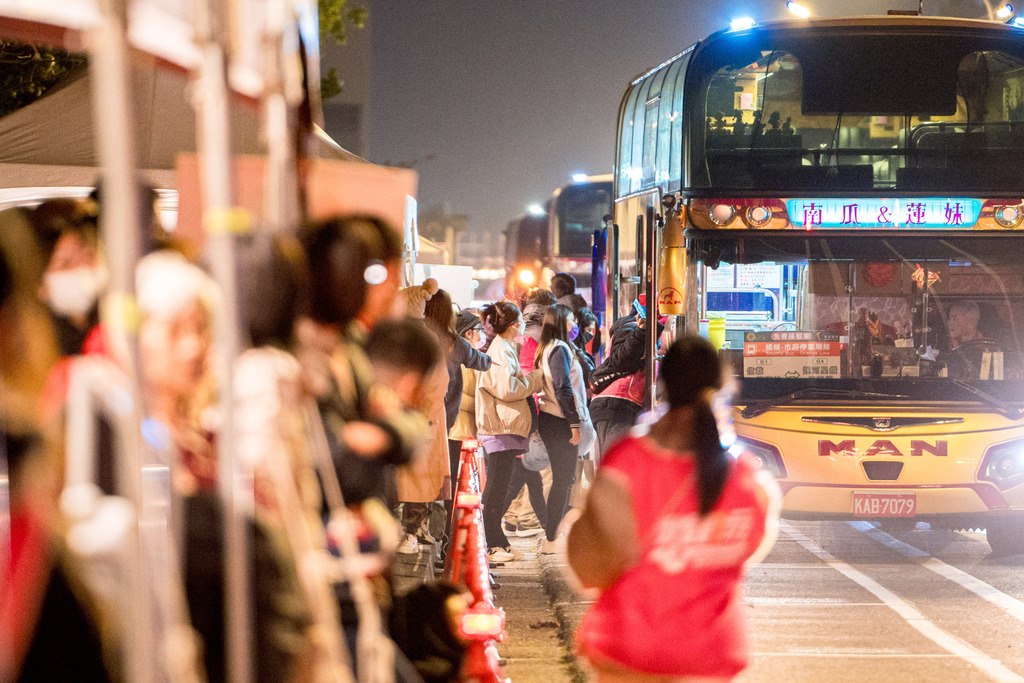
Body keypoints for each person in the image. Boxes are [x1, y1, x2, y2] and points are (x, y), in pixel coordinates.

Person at [568, 335, 780, 683]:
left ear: (662, 382)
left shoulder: (626, 465)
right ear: (723, 386)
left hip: (631, 653)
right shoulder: (749, 480)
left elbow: (589, 568)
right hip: (711, 657)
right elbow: (750, 551)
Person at [475, 301, 542, 562]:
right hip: (500, 426)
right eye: (521, 322)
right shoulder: (501, 349)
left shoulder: (504, 347)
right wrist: (534, 379)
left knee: (500, 486)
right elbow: (507, 389)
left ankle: (496, 539)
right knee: (496, 487)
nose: (523, 326)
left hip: (503, 424)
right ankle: (490, 543)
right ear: (513, 326)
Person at [535, 303, 591, 553]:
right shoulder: (559, 348)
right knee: (563, 479)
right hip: (559, 420)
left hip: (552, 418)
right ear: (560, 322)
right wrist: (574, 423)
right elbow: (563, 388)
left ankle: (554, 533)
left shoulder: (548, 347)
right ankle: (552, 537)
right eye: (571, 320)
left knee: (563, 478)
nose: (574, 324)